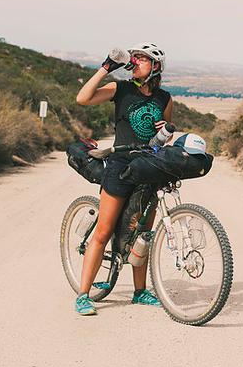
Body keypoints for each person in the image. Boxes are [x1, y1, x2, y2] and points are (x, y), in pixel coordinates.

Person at [74, 42, 172, 315]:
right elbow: (82, 98)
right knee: (104, 231)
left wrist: (165, 132)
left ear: (156, 66)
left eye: (142, 58)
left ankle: (140, 292)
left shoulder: (164, 98)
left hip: (148, 166)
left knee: (143, 233)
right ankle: (83, 294)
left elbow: (161, 139)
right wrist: (107, 66)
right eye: (135, 57)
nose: (136, 61)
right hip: (120, 164)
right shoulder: (122, 89)